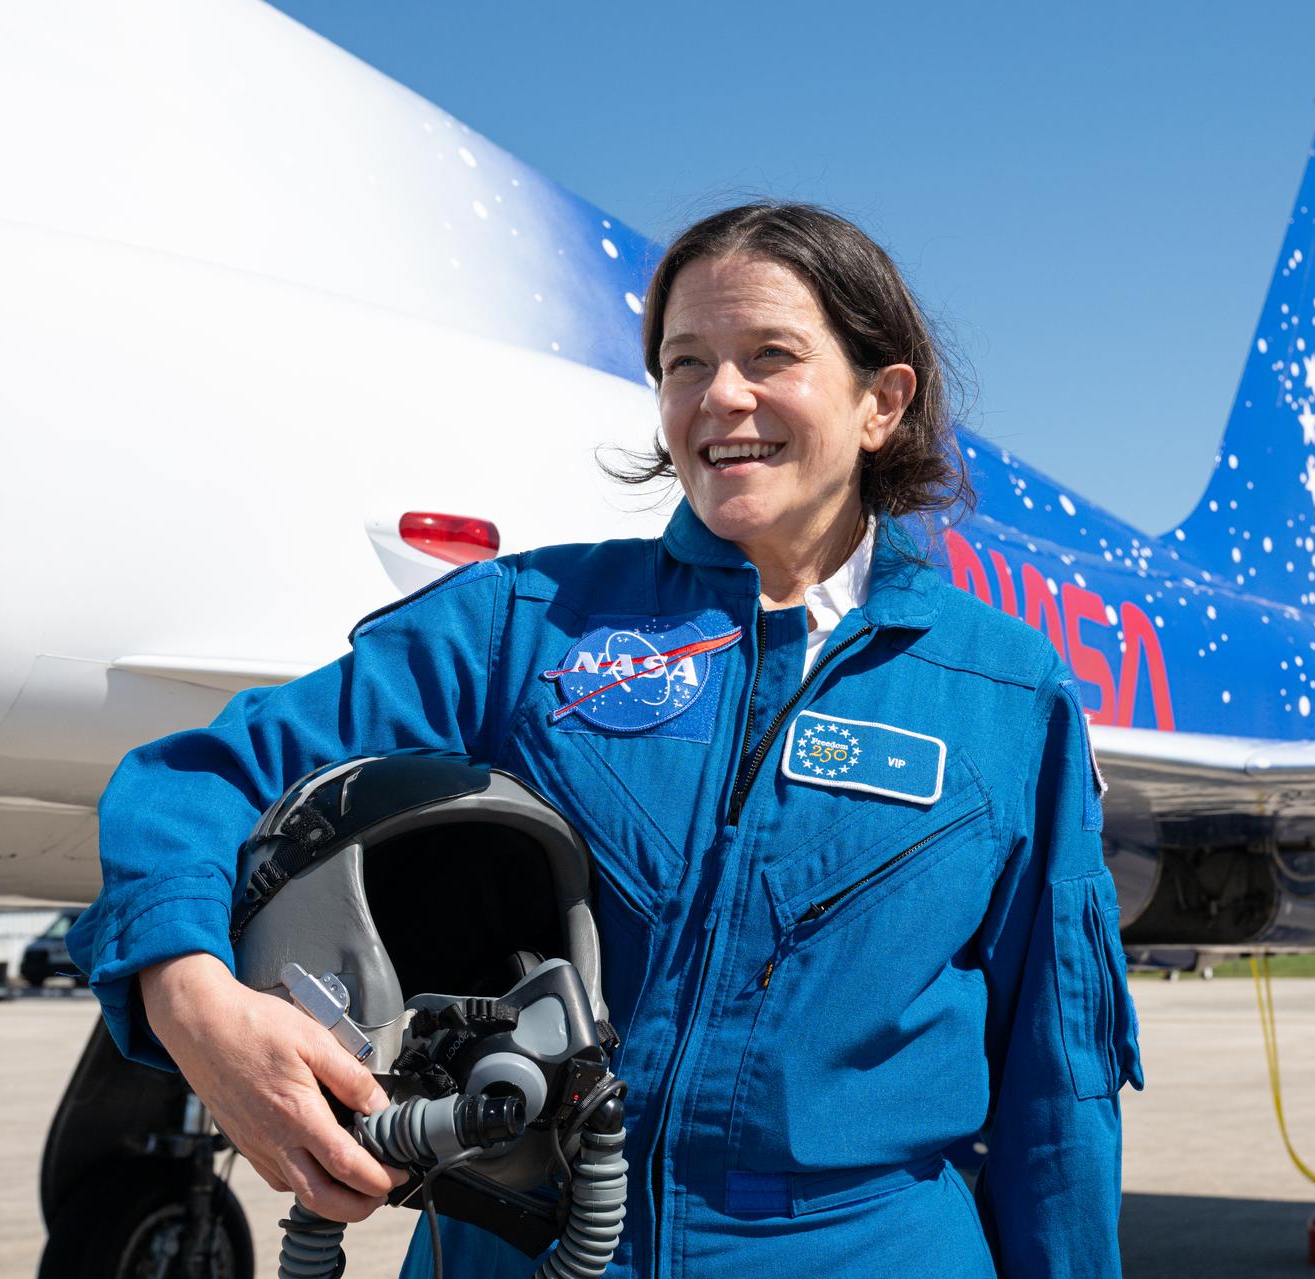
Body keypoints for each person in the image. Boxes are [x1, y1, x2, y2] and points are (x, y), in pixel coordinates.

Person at [70, 202, 1143, 1277]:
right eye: (686, 363)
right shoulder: (527, 623)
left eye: (770, 355)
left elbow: (1060, 1095)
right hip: (520, 1238)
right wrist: (192, 1000)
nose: (721, 396)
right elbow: (195, 785)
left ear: (881, 401)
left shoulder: (1005, 692)